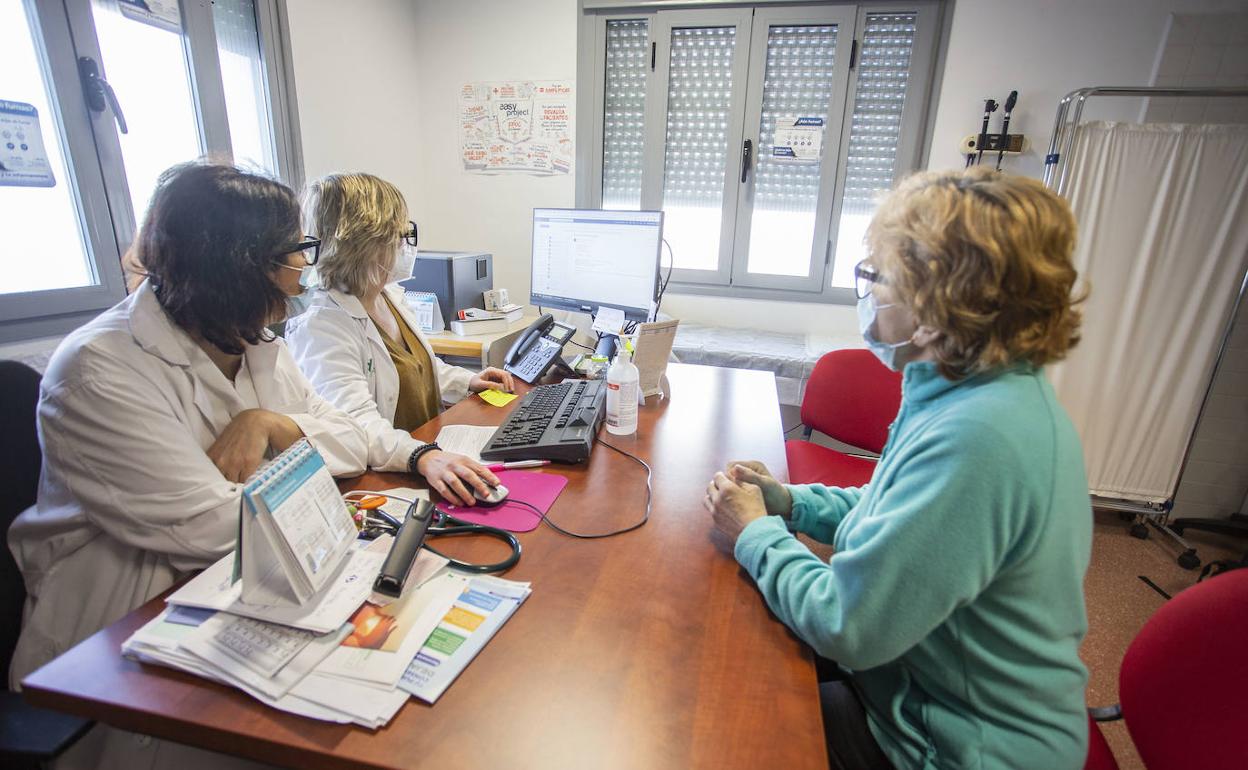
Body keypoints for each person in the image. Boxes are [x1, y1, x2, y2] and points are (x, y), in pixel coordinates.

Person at [704, 168, 1093, 769]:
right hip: (912, 692)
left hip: (949, 751)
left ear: (938, 310)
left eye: (878, 276)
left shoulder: (980, 436)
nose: (868, 292)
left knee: (714, 719)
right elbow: (887, 508)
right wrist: (787, 501)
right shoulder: (964, 390)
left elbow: (847, 624)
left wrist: (754, 534)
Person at [9, 162, 369, 689]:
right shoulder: (96, 370)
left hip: (244, 591)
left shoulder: (252, 339)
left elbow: (355, 444)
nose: (302, 268)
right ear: (234, 268)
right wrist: (317, 478)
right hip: (121, 638)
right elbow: (209, 527)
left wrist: (270, 425)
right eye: (292, 251)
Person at [285, 173, 513, 506]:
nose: (406, 244)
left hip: (427, 456)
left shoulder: (385, 294)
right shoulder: (320, 325)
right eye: (400, 233)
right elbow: (354, 425)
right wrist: (422, 456)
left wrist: (468, 380)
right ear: (368, 243)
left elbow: (415, 366)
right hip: (384, 481)